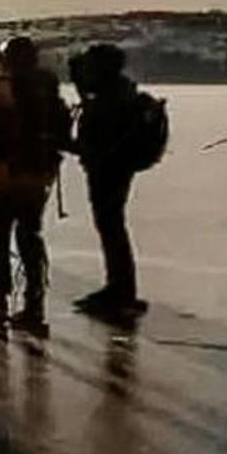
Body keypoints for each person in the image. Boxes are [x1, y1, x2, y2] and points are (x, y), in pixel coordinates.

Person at [0, 36, 70, 336]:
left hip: (4, 173)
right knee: (30, 236)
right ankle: (34, 305)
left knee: (0, 237)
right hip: (38, 174)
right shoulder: (49, 89)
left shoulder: (0, 89)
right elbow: (63, 131)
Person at [64, 43, 150, 319]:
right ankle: (121, 288)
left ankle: (120, 291)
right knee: (113, 228)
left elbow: (93, 144)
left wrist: (61, 142)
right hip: (116, 168)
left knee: (111, 228)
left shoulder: (109, 101)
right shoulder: (119, 92)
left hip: (108, 171)